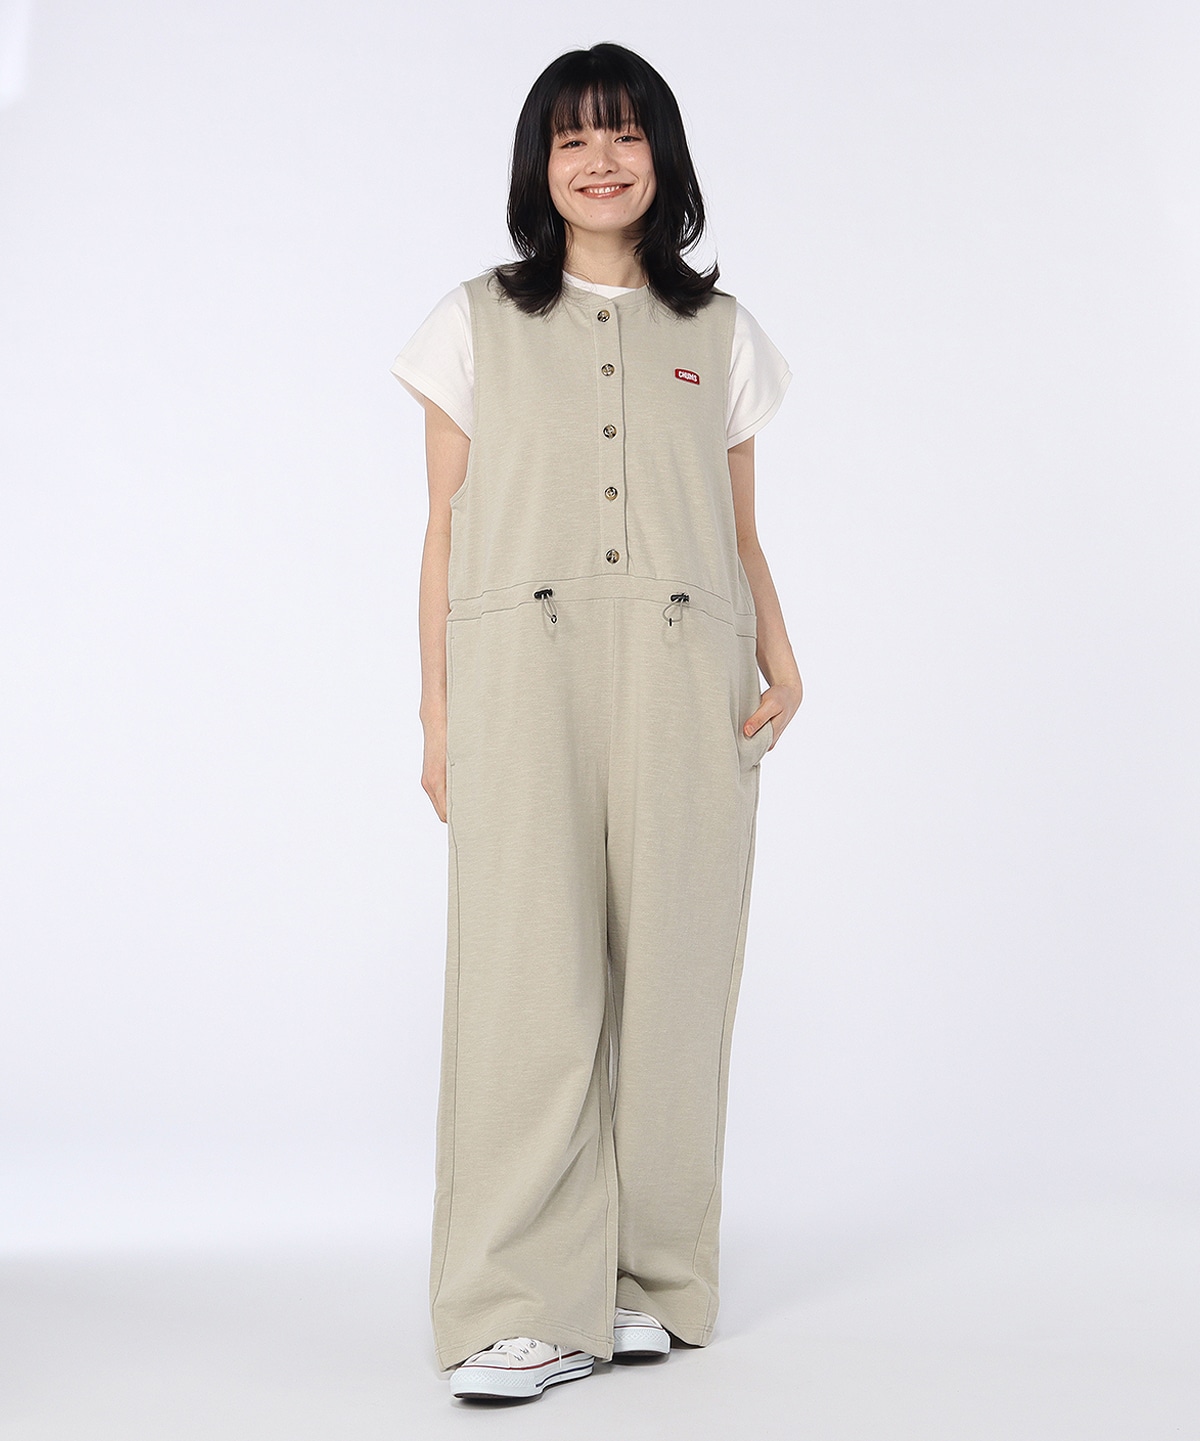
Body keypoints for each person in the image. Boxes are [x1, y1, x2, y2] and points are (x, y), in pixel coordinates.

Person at [390, 41, 803, 1404]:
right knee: (528, 976)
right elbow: (443, 530)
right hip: (526, 666)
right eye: (573, 139)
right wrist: (439, 715)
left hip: (690, 666)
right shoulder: (473, 320)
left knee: (677, 970)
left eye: (624, 134)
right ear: (540, 166)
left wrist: (782, 655)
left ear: (662, 156)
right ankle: (518, 1302)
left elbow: (740, 528)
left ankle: (641, 1281)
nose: (601, 160)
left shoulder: (722, 332)